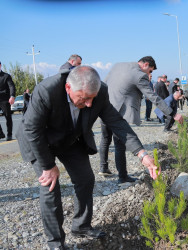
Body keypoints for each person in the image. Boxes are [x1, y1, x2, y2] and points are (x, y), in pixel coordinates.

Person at [16, 66, 160, 249]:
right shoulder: (47, 90)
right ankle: (55, 242)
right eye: (84, 99)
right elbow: (32, 129)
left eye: (92, 98)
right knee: (50, 186)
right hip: (39, 140)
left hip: (69, 138)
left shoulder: (100, 92)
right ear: (69, 88)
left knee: (85, 179)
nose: (90, 104)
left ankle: (81, 226)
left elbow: (117, 122)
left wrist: (142, 154)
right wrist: (48, 165)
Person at [99, 57, 183, 182]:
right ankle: (122, 177)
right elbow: (153, 97)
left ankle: (103, 168)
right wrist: (171, 113)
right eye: (150, 71)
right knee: (120, 144)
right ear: (146, 65)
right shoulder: (139, 75)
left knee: (105, 139)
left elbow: (104, 84)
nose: (149, 74)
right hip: (119, 112)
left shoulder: (119, 65)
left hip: (104, 107)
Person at [0, 61, 16, 141]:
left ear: (0, 65)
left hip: (5, 100)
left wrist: (12, 96)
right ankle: (0, 133)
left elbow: (11, 86)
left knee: (8, 117)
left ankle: (9, 134)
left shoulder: (6, 76)